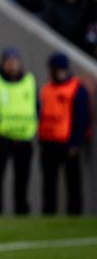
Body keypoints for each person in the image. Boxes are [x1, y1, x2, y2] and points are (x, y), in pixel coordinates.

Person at [0, 47, 38, 214]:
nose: (12, 65)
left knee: (23, 176)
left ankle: (21, 210)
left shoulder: (29, 80)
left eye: (14, 61)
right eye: (9, 61)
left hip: (24, 136)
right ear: (3, 63)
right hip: (2, 135)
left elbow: (37, 105)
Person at [38, 52, 90, 215]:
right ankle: (49, 213)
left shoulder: (76, 88)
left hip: (67, 142)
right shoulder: (47, 89)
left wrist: (75, 142)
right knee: (49, 182)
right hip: (48, 141)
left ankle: (75, 213)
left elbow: (82, 117)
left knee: (73, 182)